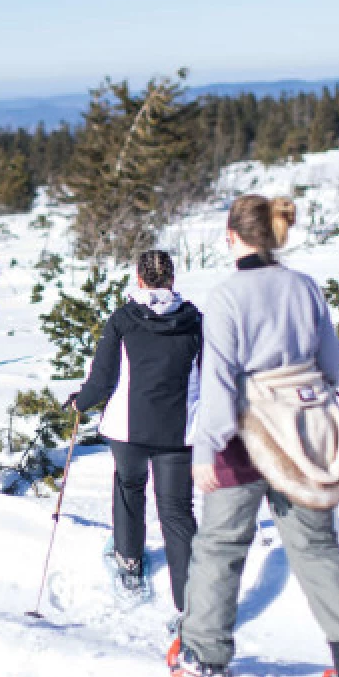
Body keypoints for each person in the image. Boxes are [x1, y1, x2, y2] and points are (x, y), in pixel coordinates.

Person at [172, 194, 339, 677]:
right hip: (304, 432)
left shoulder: (227, 295)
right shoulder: (304, 286)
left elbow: (218, 380)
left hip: (243, 432)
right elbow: (334, 367)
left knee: (221, 547)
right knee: (318, 550)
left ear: (231, 236)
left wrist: (206, 447)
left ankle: (203, 659)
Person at [69, 249, 202, 612]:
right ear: (172, 279)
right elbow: (212, 377)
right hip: (179, 430)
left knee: (129, 488)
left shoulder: (123, 320)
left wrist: (82, 402)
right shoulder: (196, 322)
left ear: (139, 280)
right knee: (176, 510)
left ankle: (129, 562)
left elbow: (102, 378)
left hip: (128, 428)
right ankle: (191, 607)